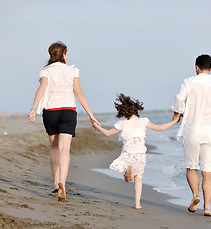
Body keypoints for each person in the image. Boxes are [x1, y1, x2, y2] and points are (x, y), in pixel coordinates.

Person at [29, 41, 99, 202]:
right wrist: (91, 114)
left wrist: (33, 109)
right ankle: (63, 183)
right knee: (64, 150)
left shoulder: (45, 71)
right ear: (64, 54)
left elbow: (41, 89)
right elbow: (79, 93)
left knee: (54, 148)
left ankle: (55, 183)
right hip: (68, 111)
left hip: (50, 112)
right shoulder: (72, 70)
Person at [92, 93, 179, 209]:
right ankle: (137, 204)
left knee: (127, 174)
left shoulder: (121, 124)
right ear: (136, 109)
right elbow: (161, 128)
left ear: (122, 112)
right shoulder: (143, 121)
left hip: (128, 153)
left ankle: (128, 174)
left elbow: (107, 133)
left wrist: (97, 126)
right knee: (139, 178)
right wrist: (174, 121)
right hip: (140, 154)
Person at [172, 54, 211, 217]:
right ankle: (207, 207)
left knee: (191, 167)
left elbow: (179, 98)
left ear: (196, 67)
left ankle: (195, 196)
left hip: (192, 131)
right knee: (208, 172)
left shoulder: (189, 82)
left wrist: (177, 113)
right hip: (210, 133)